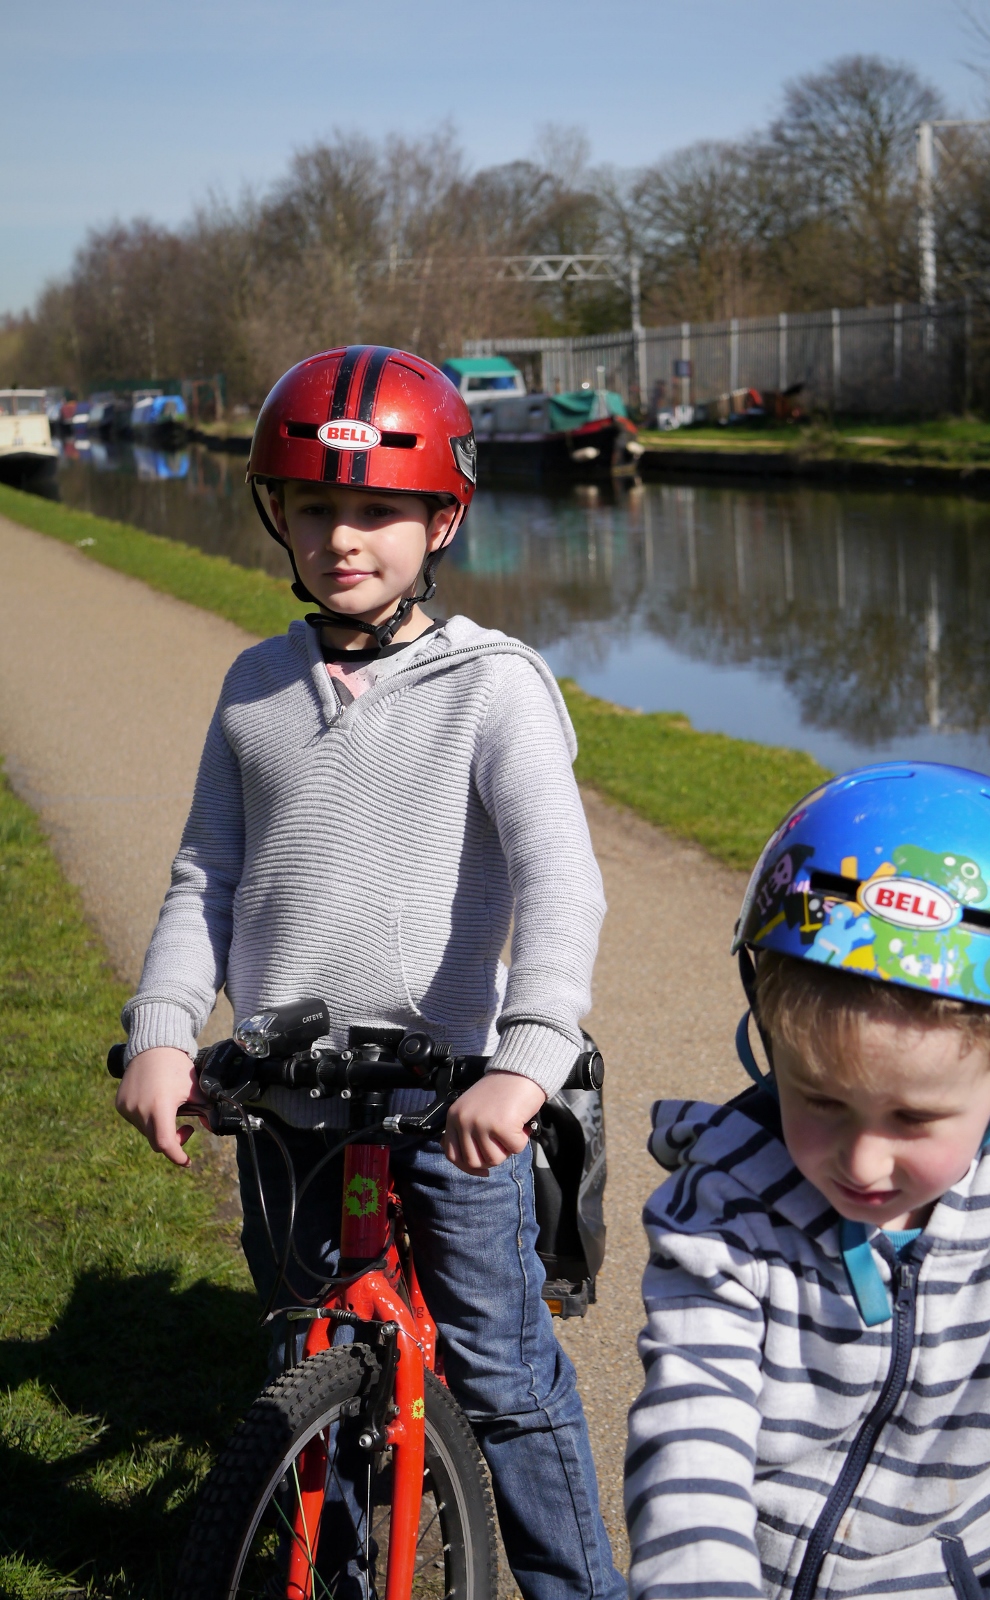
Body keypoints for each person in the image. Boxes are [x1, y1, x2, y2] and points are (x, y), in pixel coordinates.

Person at [115, 344, 624, 1600]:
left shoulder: (493, 686)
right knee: (308, 1350)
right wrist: (165, 1030)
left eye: (379, 511)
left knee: (502, 1372)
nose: (343, 538)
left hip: (449, 1104)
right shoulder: (255, 688)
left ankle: (580, 1588)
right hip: (288, 1097)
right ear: (276, 514)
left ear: (442, 519)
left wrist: (525, 1062)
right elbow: (203, 878)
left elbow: (563, 888)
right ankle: (338, 1568)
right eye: (314, 508)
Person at [624, 763, 990, 1600]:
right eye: (818, 1099)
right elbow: (691, 1445)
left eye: (913, 1118)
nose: (861, 1163)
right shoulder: (724, 1208)